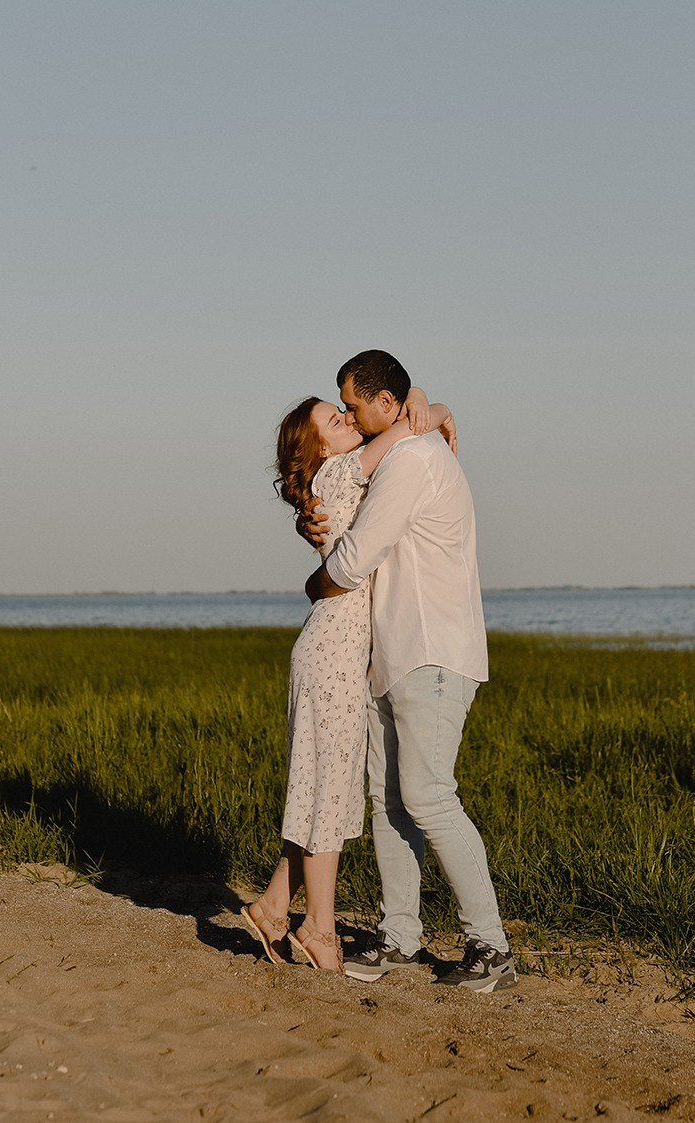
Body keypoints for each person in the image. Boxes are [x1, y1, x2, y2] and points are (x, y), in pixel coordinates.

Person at [303, 349, 516, 994]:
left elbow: (357, 557)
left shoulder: (414, 461)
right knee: (389, 799)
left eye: (353, 403)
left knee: (426, 794)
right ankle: (400, 936)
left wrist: (315, 580)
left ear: (386, 405)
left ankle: (490, 946)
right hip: (391, 653)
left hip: (432, 651)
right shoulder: (398, 451)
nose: (347, 413)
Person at [241, 388, 456, 972]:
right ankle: (320, 929)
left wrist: (424, 404)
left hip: (333, 650)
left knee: (319, 785)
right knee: (329, 791)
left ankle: (275, 907)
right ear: (319, 446)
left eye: (344, 413)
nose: (347, 421)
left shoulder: (330, 480)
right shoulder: (338, 470)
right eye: (335, 420)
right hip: (332, 652)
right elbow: (406, 431)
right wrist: (434, 407)